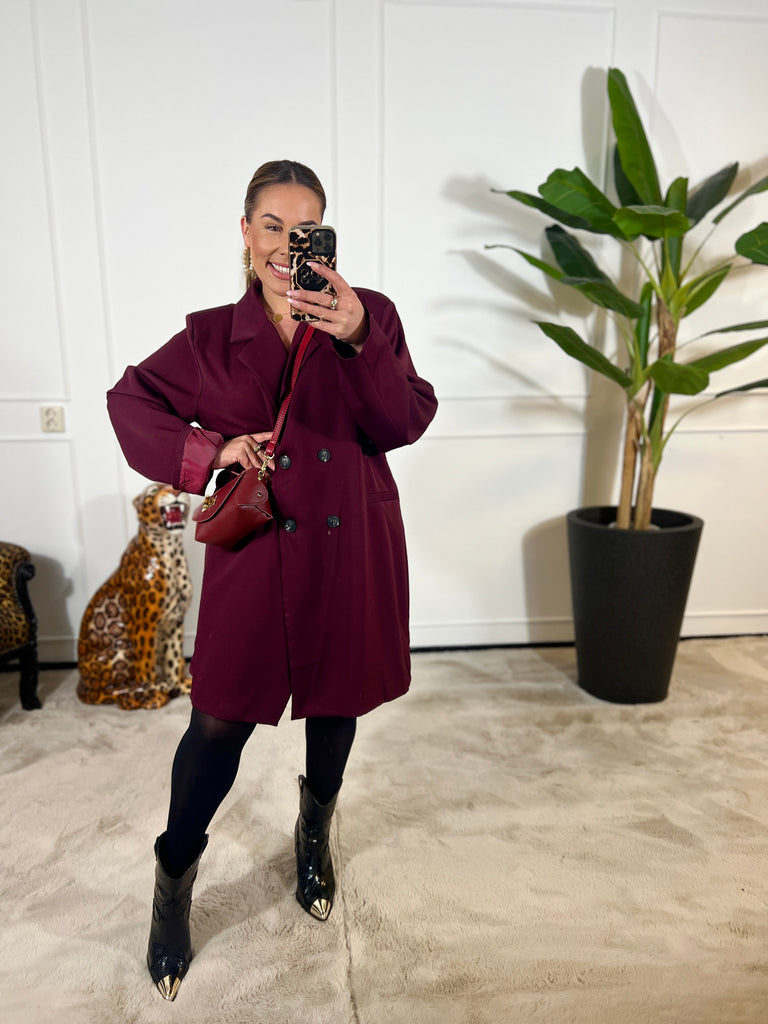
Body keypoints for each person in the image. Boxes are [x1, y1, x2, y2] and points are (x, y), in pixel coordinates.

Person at [106, 159, 437, 1001]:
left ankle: (314, 832)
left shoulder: (368, 315)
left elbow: (403, 419)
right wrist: (210, 449)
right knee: (218, 722)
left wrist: (358, 335)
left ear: (325, 236)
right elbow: (129, 400)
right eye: (272, 227)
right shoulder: (211, 336)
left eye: (305, 229)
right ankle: (173, 880)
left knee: (338, 701)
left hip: (347, 539)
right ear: (246, 232)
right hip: (256, 548)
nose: (287, 246)